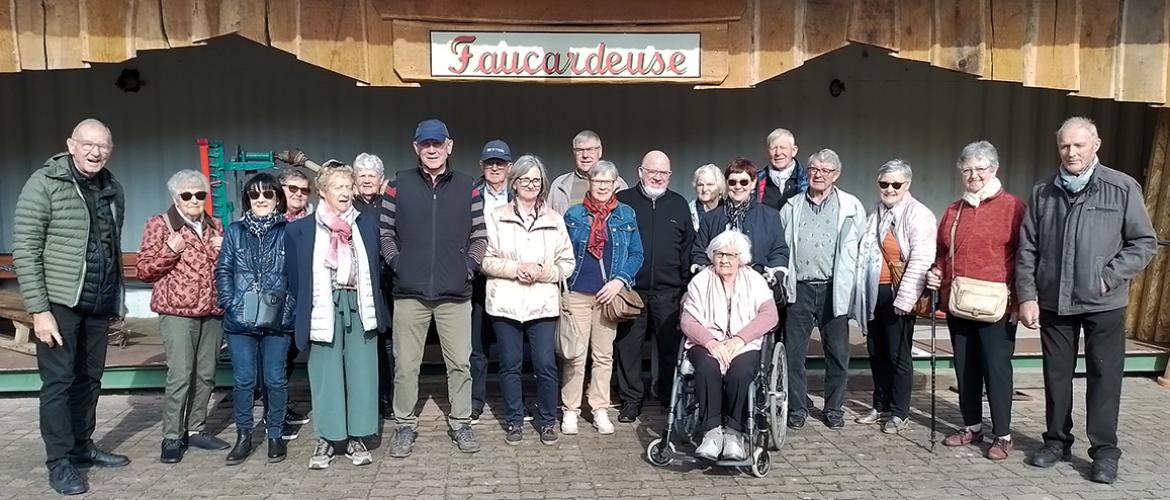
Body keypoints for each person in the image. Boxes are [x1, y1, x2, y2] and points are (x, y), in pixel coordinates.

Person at [1017, 117, 1157, 483]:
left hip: (1104, 302)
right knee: (1056, 377)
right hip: (1054, 301)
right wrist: (1027, 296)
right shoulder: (1043, 191)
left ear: (1096, 145)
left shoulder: (1121, 187)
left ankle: (1105, 453)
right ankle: (1055, 442)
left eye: (1079, 145)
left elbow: (1144, 243)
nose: (1071, 152)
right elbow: (1027, 247)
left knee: (1104, 378)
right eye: (1065, 145)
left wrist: (1107, 276)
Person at [13, 118, 129, 495]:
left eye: (103, 146)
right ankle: (59, 462)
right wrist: (39, 310)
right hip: (60, 302)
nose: (96, 152)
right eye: (88, 144)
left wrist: (116, 298)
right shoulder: (44, 184)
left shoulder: (113, 188)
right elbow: (26, 250)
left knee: (90, 380)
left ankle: (82, 447)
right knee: (59, 383)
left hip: (98, 300)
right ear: (71, 144)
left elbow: (111, 245)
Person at [380, 119, 485, 457]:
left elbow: (480, 237)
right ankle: (404, 426)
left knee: (460, 363)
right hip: (410, 293)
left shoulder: (468, 186)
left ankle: (461, 423)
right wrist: (401, 266)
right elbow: (385, 235)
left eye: (437, 144)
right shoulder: (398, 185)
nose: (432, 149)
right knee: (407, 364)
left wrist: (466, 270)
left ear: (449, 146)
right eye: (425, 144)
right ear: (416, 148)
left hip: (455, 294)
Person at [923, 141, 1026, 460]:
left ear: (994, 170)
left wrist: (1020, 301)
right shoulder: (954, 210)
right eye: (967, 169)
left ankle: (1003, 434)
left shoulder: (1013, 207)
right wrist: (936, 272)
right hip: (959, 300)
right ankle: (971, 425)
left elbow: (1025, 257)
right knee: (965, 366)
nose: (974, 175)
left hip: (997, 304)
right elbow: (942, 251)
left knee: (996, 368)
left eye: (980, 169)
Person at [286, 163, 389, 470]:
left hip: (359, 302)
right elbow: (295, 277)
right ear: (323, 192)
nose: (345, 193)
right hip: (324, 304)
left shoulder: (366, 223)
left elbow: (375, 266)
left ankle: (358, 435)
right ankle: (329, 438)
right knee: (326, 372)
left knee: (362, 370)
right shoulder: (300, 229)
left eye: (348, 186)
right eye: (338, 187)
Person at [136, 169, 230, 464]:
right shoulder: (160, 225)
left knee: (205, 374)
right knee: (180, 375)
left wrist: (224, 250)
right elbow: (144, 269)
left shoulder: (216, 225)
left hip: (212, 311)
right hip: (177, 312)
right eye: (187, 195)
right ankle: (173, 436)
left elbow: (227, 267)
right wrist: (169, 249)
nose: (193, 199)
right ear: (175, 197)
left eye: (199, 194)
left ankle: (197, 428)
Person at [481, 154, 575, 445]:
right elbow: (484, 260)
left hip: (542, 304)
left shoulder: (554, 220)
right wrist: (516, 269)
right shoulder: (496, 216)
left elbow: (567, 263)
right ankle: (514, 420)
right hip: (505, 304)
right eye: (525, 179)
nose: (530, 185)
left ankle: (547, 420)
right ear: (514, 182)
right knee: (510, 364)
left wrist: (543, 272)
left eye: (536, 180)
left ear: (543, 184)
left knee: (545, 365)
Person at [778, 149, 866, 430]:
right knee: (794, 354)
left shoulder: (851, 206)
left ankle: (834, 409)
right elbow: (781, 247)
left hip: (832, 289)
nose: (819, 174)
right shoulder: (791, 206)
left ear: (836, 175)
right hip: (800, 288)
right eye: (814, 169)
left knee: (838, 354)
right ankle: (797, 408)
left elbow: (862, 249)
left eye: (826, 170)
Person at [214, 172, 295, 465]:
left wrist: (290, 308)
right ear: (247, 199)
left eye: (268, 194)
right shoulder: (235, 231)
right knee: (244, 380)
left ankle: (274, 434)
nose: (261, 199)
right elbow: (223, 270)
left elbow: (297, 276)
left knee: (275, 379)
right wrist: (229, 302)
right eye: (254, 194)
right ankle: (244, 435)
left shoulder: (289, 231)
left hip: (278, 319)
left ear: (277, 198)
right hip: (241, 319)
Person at [852, 160, 936, 434]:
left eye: (896, 184)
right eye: (884, 184)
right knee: (876, 352)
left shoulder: (918, 214)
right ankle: (881, 405)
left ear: (907, 185)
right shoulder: (874, 212)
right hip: (875, 292)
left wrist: (905, 300)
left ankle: (900, 412)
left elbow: (921, 259)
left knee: (899, 354)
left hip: (900, 294)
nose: (889, 189)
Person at [561, 160, 644, 435]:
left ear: (615, 185)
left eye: (608, 183)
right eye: (598, 182)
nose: (602, 187)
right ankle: (570, 409)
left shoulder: (626, 214)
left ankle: (598, 407)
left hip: (608, 295)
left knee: (603, 354)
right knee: (575, 353)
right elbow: (563, 253)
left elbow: (636, 254)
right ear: (590, 183)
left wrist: (620, 281)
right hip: (577, 292)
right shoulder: (573, 215)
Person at [681, 230, 779, 461]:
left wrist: (739, 339)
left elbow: (769, 316)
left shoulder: (754, 280)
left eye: (730, 255)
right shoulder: (701, 281)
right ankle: (712, 434)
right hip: (706, 342)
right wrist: (711, 342)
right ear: (712, 256)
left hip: (743, 344)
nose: (724, 260)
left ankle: (735, 434)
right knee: (706, 368)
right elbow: (688, 319)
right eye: (719, 254)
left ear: (741, 258)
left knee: (742, 372)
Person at [614, 151, 694, 422]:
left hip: (669, 291)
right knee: (628, 348)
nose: (658, 177)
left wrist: (685, 289)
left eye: (664, 173)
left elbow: (687, 249)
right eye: (653, 171)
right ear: (640, 172)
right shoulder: (623, 202)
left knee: (670, 349)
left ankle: (668, 397)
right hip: (632, 291)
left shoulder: (679, 204)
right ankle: (631, 400)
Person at [691, 159, 788, 285]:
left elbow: (779, 251)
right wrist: (708, 274)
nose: (738, 186)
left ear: (753, 183)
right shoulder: (710, 218)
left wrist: (771, 276)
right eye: (732, 182)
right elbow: (698, 252)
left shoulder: (770, 216)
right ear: (726, 184)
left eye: (744, 182)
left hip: (757, 288)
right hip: (718, 288)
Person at [471, 139, 513, 423]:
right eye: (489, 163)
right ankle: (475, 400)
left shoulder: (522, 194)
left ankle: (517, 401)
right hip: (477, 278)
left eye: (500, 163)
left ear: (510, 167)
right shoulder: (470, 193)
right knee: (477, 345)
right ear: (482, 167)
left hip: (511, 279)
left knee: (513, 345)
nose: (494, 167)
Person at [351, 152, 395, 419]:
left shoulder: (389, 205)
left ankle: (387, 398)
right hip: (359, 285)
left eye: (372, 176)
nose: (367, 180)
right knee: (363, 345)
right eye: (362, 175)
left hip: (386, 286)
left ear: (381, 179)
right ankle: (365, 399)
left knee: (387, 346)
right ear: (355, 179)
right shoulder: (348, 207)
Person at [548, 130, 629, 214]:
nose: (585, 155)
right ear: (574, 153)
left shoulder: (619, 184)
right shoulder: (559, 184)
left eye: (590, 150)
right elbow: (548, 220)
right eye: (580, 150)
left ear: (600, 152)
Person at [756, 128, 808, 211]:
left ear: (794, 151)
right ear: (767, 152)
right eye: (773, 148)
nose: (778, 153)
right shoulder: (755, 181)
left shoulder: (808, 180)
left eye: (783, 147)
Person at [689, 163, 725, 230]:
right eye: (700, 185)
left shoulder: (730, 213)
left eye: (710, 184)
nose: (704, 189)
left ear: (720, 188)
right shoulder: (687, 211)